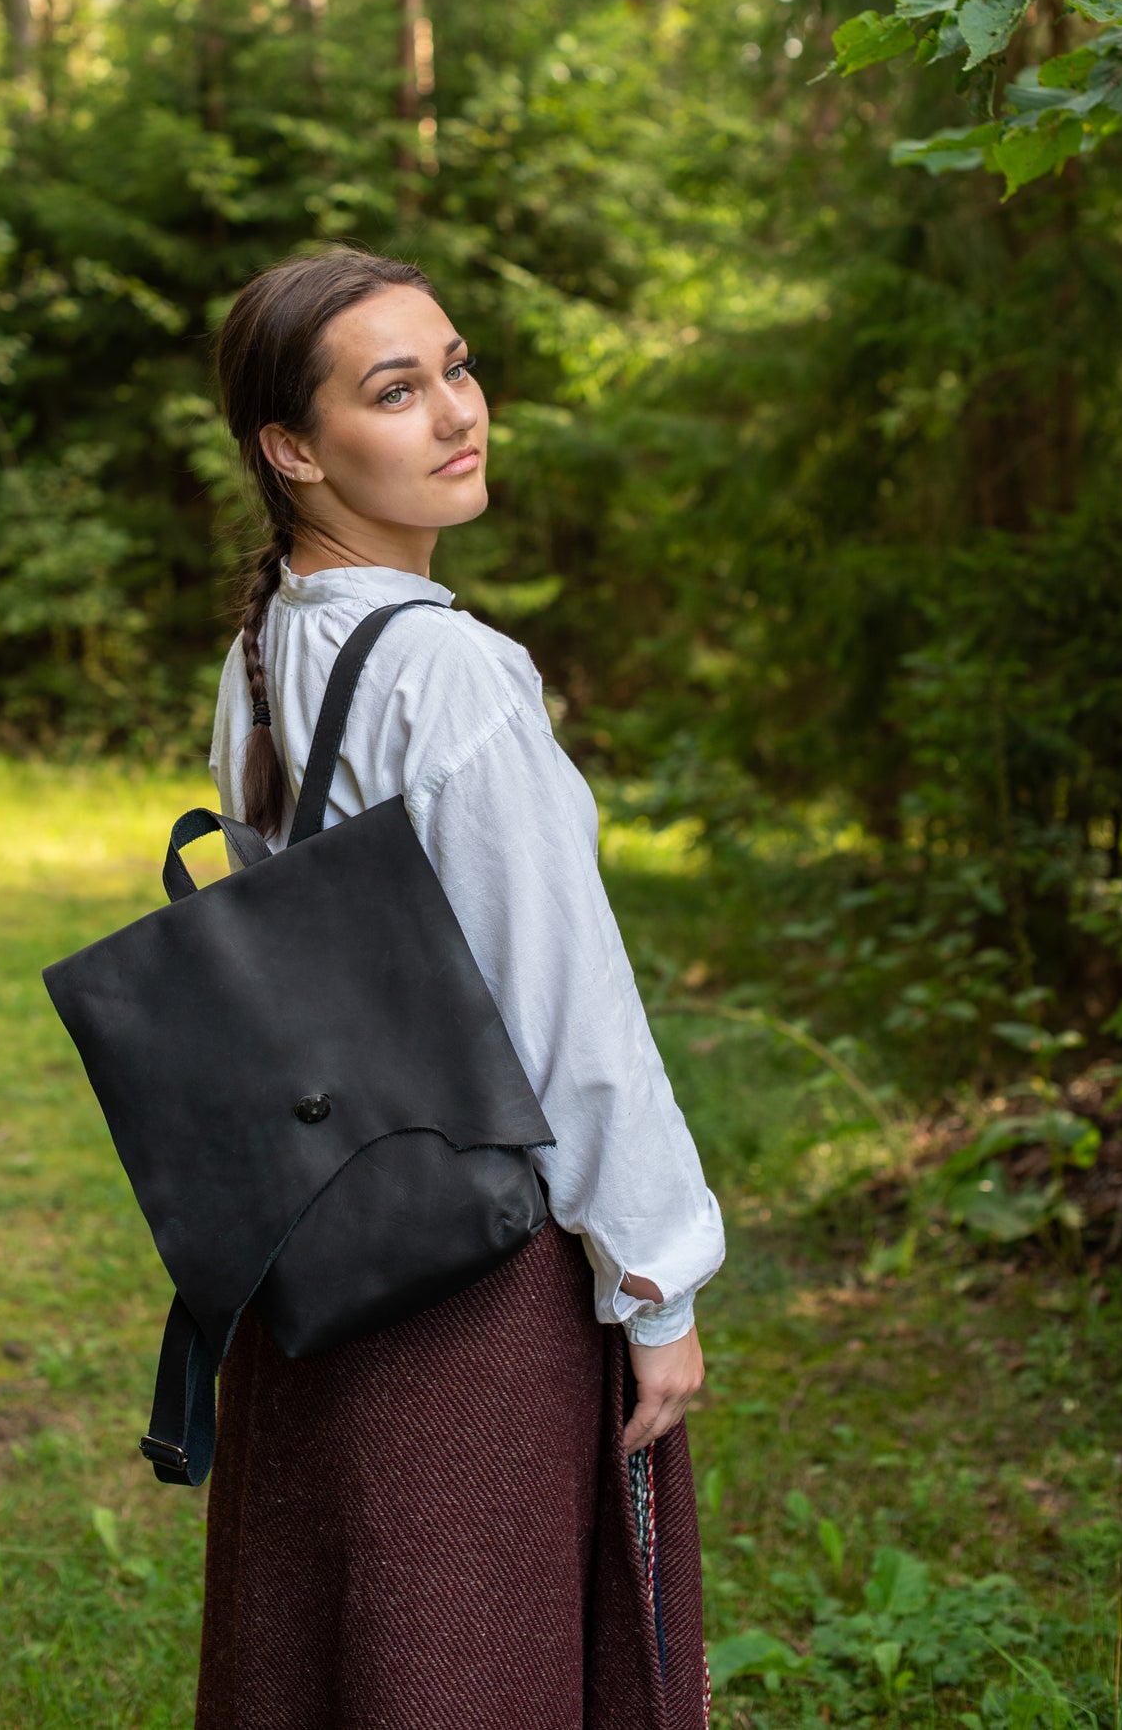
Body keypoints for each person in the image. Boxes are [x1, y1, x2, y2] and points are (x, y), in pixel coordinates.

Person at [198, 250, 725, 1730]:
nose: (454, 412)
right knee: (459, 1649)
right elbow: (560, 1003)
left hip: (321, 1239)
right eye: (392, 389)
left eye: (455, 365)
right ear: (291, 450)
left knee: (339, 1635)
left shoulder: (264, 652)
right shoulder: (451, 673)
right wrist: (654, 1273)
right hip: (466, 1262)